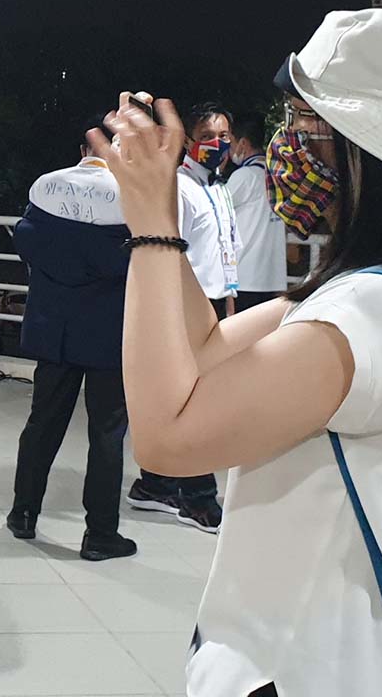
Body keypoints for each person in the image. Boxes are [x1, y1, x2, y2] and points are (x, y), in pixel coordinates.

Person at [92, 8, 382, 697]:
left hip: (299, 673)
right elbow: (204, 349)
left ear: (378, 153)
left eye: (305, 122)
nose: (285, 145)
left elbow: (166, 440)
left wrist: (149, 230)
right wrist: (159, 207)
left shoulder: (378, 314)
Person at [5, 117, 136, 561]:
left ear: (82, 150)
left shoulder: (46, 187)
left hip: (54, 328)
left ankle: (23, 513)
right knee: (106, 434)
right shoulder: (130, 198)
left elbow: (26, 243)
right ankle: (100, 534)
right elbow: (137, 262)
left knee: (42, 422)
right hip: (108, 333)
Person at [125, 103, 237, 534]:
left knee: (195, 398)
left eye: (224, 135)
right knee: (198, 404)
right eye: (209, 136)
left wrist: (229, 300)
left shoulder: (219, 187)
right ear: (189, 140)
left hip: (215, 303)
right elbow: (167, 250)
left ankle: (154, 485)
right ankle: (197, 499)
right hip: (187, 306)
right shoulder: (181, 188)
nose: (219, 144)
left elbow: (223, 251)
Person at [228, 113, 287, 311]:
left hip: (245, 276)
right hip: (272, 277)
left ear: (243, 143)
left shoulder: (245, 176)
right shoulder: (277, 176)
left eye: (230, 142)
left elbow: (215, 211)